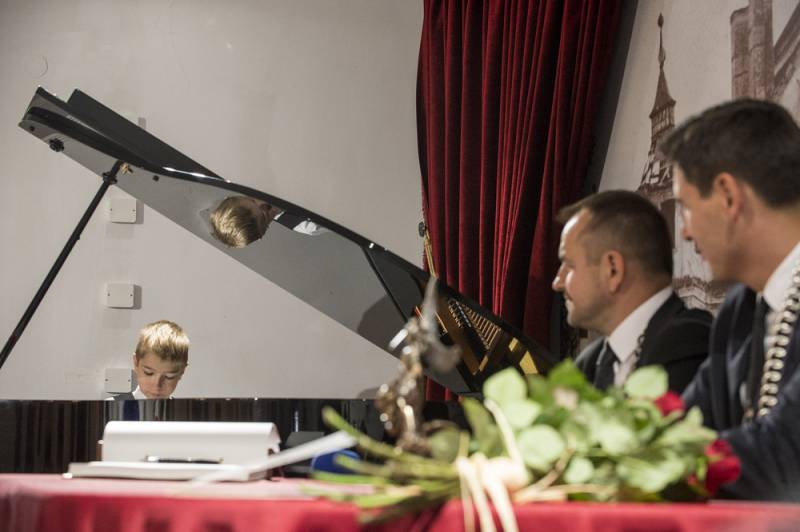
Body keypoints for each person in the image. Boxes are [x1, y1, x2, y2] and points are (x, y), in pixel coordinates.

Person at [663, 98, 800, 501]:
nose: (685, 232)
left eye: (686, 208)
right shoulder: (740, 310)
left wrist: (641, 463)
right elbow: (686, 423)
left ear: (727, 195)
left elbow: (784, 456)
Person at [552, 190, 711, 393]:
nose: (557, 283)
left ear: (613, 269)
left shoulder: (690, 345)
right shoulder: (588, 365)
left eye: (569, 265)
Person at [209, 195, 324, 248]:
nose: (262, 201)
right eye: (267, 210)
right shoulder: (310, 224)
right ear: (263, 231)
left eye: (252, 200)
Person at [115, 320, 189, 400]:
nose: (157, 386)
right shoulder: (110, 405)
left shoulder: (185, 408)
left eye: (169, 377)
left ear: (182, 371)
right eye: (149, 373)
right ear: (136, 363)